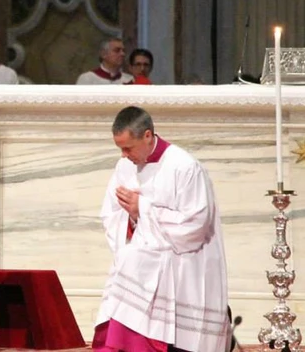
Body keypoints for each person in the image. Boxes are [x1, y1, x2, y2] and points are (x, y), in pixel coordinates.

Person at [93, 106, 230, 352]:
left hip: (184, 261)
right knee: (130, 261)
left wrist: (142, 210)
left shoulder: (184, 166)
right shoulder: (124, 167)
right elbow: (111, 215)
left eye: (128, 148)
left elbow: (195, 225)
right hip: (144, 259)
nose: (124, 155)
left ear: (147, 136)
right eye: (120, 148)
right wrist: (133, 219)